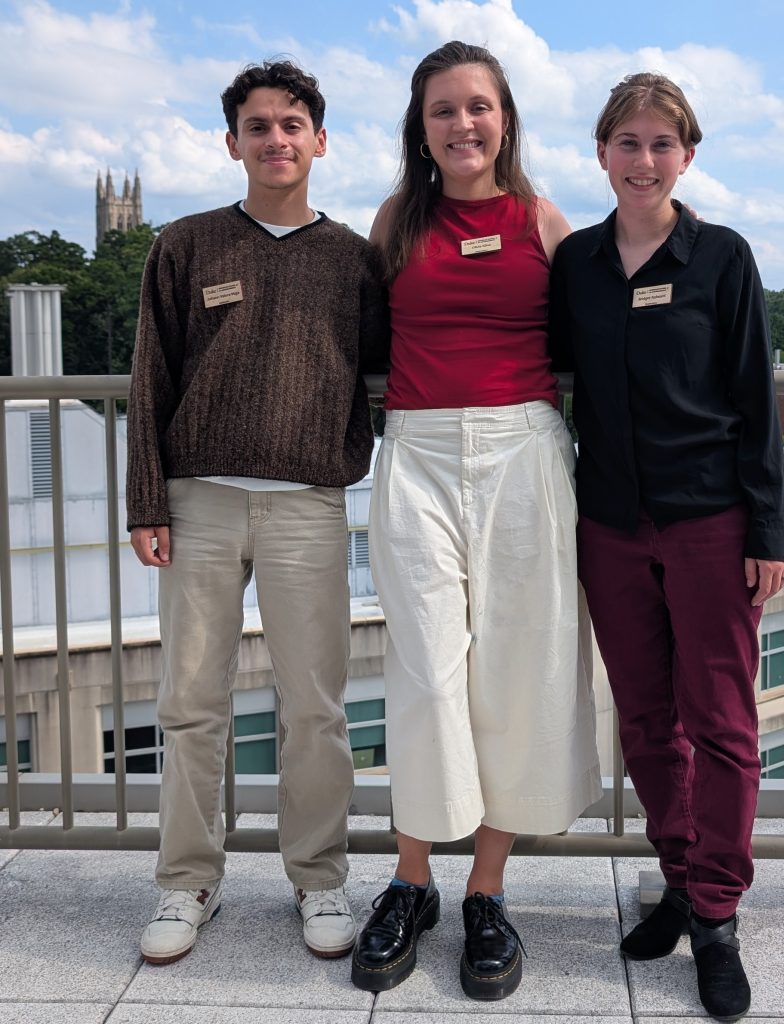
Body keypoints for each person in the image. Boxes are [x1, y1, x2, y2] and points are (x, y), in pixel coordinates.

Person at [350, 40, 601, 1002]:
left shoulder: (542, 220)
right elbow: (362, 338)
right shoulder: (394, 222)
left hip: (524, 453)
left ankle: (485, 893)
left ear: (505, 119)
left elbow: (591, 341)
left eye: (478, 107)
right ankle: (410, 880)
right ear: (421, 127)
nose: (462, 124)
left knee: (520, 668)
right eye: (443, 109)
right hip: (413, 452)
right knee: (423, 668)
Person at [126, 60, 387, 966]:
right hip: (198, 502)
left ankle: (318, 877)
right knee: (190, 703)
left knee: (312, 706)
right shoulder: (187, 244)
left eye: (292, 124)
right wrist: (146, 501)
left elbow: (389, 379)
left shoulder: (354, 258)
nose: (276, 139)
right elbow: (150, 376)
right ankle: (186, 882)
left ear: (320, 139)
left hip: (310, 505)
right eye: (257, 125)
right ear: (230, 139)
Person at [550, 73, 784, 1022]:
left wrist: (766, 529)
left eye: (661, 144)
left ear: (685, 156)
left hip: (708, 522)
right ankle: (679, 881)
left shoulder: (720, 259)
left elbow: (753, 398)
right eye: (626, 143)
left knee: (722, 725)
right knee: (647, 721)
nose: (642, 161)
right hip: (608, 522)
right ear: (601, 154)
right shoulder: (574, 263)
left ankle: (718, 913)